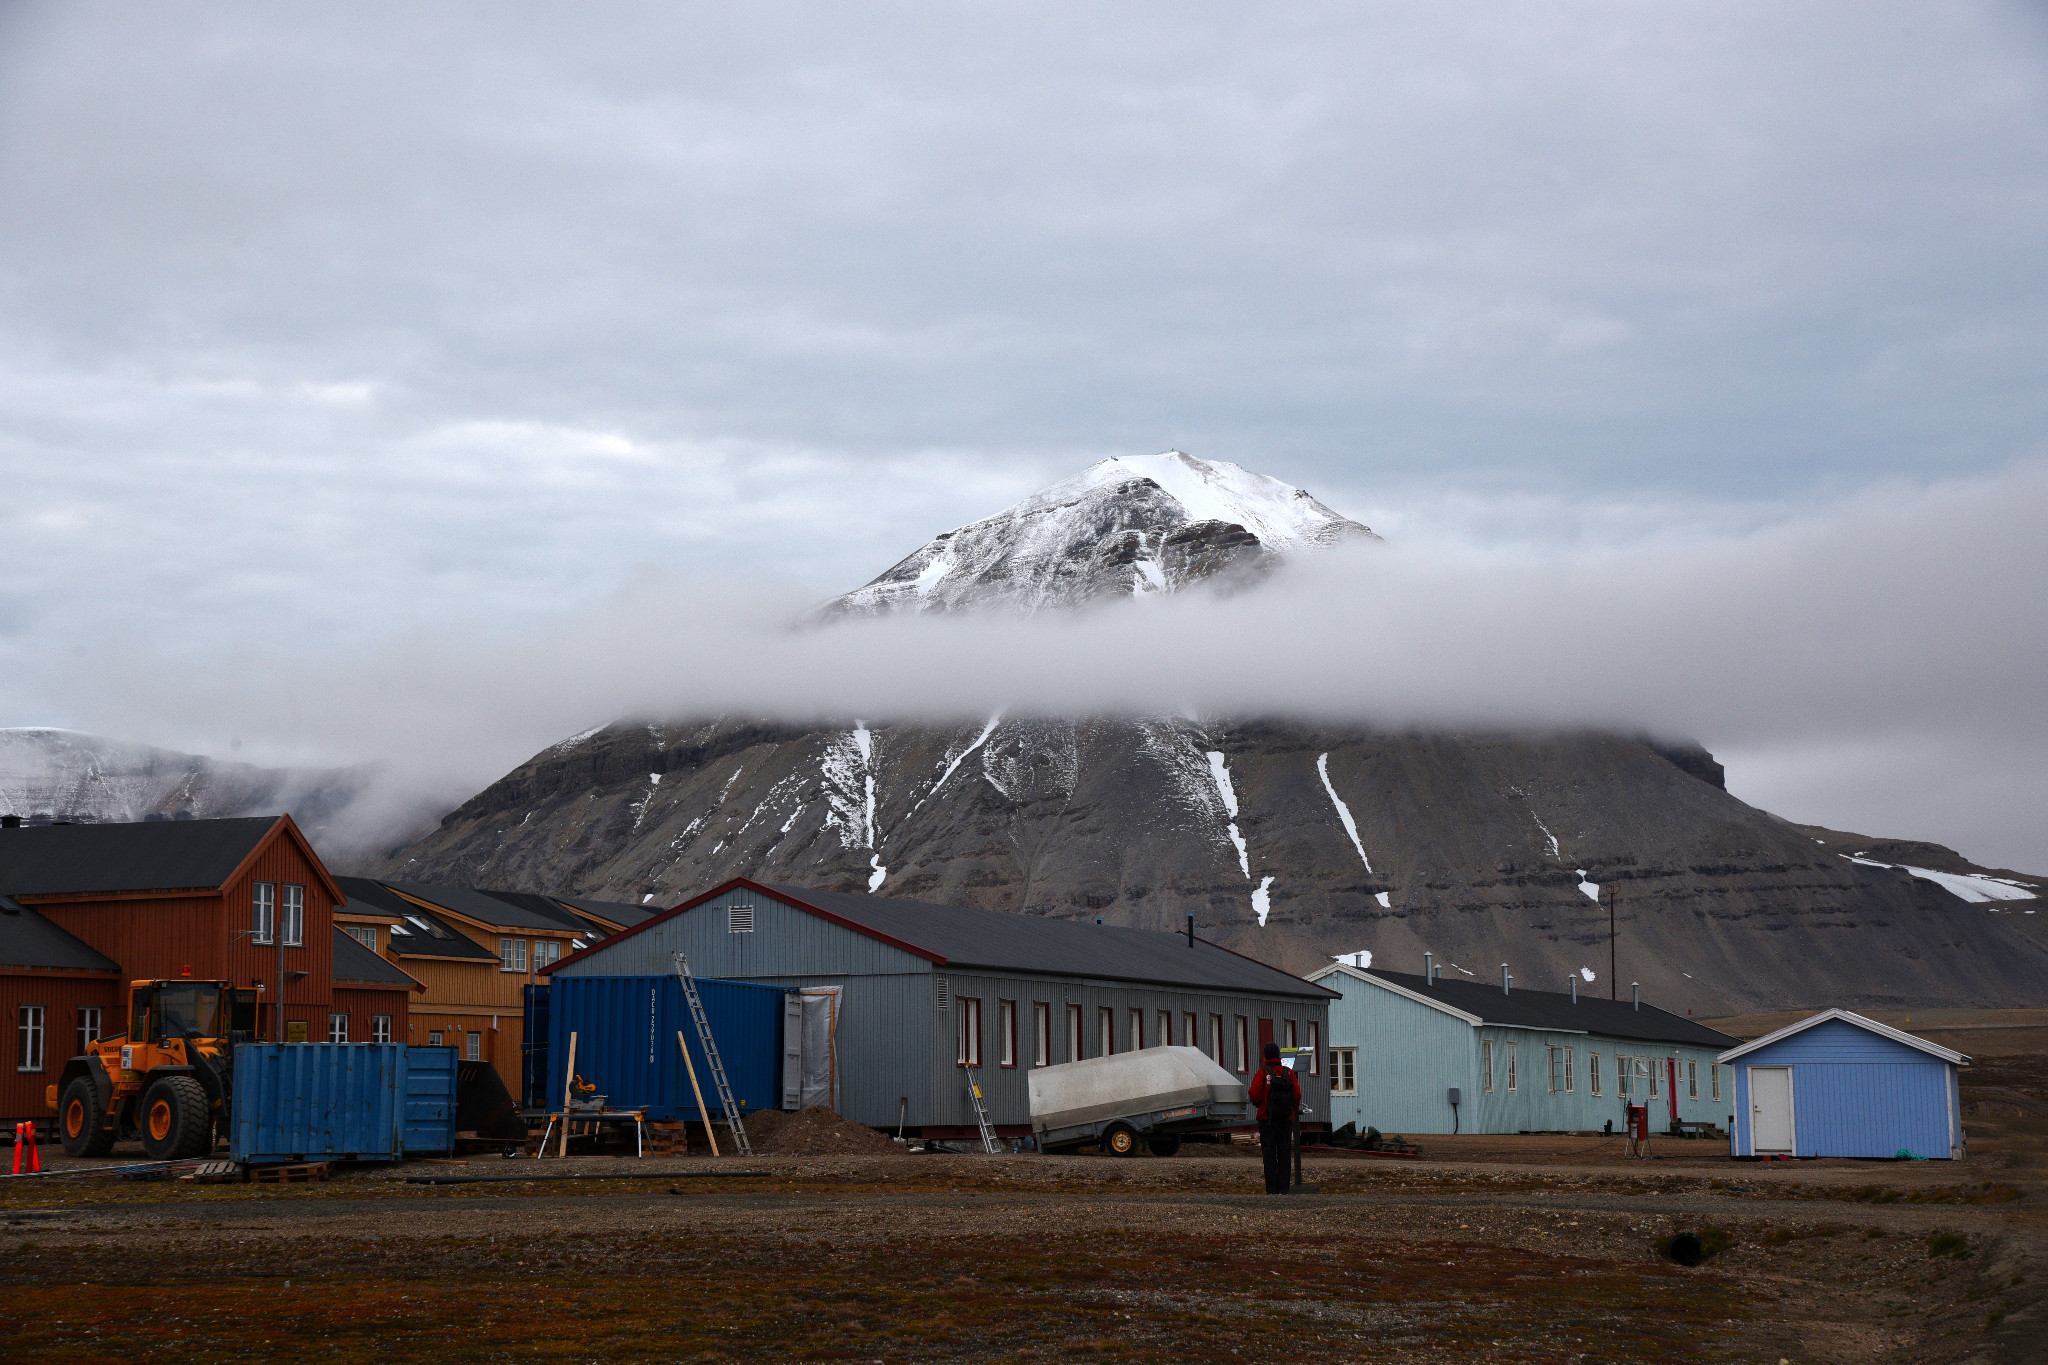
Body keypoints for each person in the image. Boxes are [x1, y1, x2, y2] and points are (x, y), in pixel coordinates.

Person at [1248, 1041, 1300, 1194]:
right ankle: (1284, 1189)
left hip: (1267, 1120)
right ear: (1278, 1055)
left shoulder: (1263, 1073)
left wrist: (1260, 1104)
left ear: (1266, 1055)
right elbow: (1297, 1095)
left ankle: (1272, 1190)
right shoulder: (1288, 1073)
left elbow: (1253, 1094)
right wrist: (1291, 1110)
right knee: (1284, 1153)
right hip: (1286, 1120)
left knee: (1269, 1155)